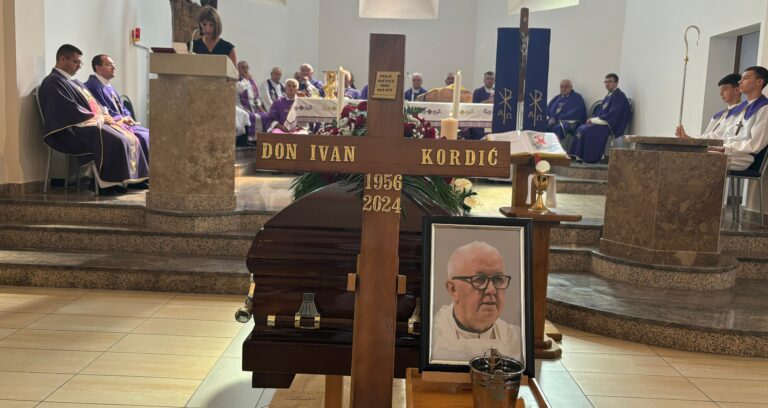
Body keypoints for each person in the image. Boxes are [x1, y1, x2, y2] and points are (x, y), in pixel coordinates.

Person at [39, 44, 148, 195]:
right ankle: (104, 185)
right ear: (62, 59)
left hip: (89, 122)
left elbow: (94, 104)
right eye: (76, 62)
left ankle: (117, 181)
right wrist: (100, 117)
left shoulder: (73, 81)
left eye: (80, 63)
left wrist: (104, 115)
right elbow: (68, 109)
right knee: (117, 139)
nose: (79, 66)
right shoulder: (53, 82)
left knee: (127, 136)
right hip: (72, 128)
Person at [431, 241, 522, 363]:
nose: (491, 290)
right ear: (453, 289)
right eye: (479, 279)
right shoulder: (433, 338)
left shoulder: (516, 341)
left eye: (498, 279)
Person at [677, 67, 768, 170]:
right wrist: (694, 141)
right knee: (684, 154)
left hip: (741, 157)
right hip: (727, 152)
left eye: (745, 78)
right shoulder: (740, 109)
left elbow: (755, 144)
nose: (740, 81)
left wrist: (725, 148)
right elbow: (723, 135)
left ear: (759, 82)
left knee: (692, 158)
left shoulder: (764, 108)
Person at [84, 54, 150, 164]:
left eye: (113, 64)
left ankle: (150, 171)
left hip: (122, 123)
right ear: (98, 68)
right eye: (109, 64)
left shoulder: (108, 85)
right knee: (142, 136)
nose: (114, 67)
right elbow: (102, 110)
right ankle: (140, 174)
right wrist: (122, 119)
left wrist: (128, 117)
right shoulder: (92, 86)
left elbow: (122, 107)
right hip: (111, 125)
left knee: (148, 133)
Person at [567, 73, 631, 163]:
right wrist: (592, 119)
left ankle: (590, 158)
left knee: (587, 130)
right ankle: (578, 155)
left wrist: (593, 120)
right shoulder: (609, 95)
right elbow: (600, 111)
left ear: (616, 83)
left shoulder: (619, 96)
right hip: (604, 121)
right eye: (606, 82)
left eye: (610, 81)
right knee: (581, 128)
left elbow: (613, 114)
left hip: (610, 124)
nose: (607, 84)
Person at [676, 73, 745, 139]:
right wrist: (689, 139)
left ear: (737, 90)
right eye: (720, 90)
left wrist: (691, 139)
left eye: (725, 89)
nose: (721, 94)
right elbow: (707, 135)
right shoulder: (719, 115)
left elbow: (720, 136)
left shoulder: (743, 112)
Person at [546, 79, 587, 147]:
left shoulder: (577, 98)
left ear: (571, 87)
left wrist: (556, 118)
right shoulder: (557, 98)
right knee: (541, 123)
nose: (563, 89)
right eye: (561, 87)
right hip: (553, 121)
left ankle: (559, 150)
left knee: (561, 127)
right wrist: (550, 118)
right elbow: (548, 110)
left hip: (567, 121)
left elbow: (575, 113)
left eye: (566, 87)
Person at [236, 60, 266, 143]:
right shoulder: (236, 80)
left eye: (247, 67)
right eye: (243, 68)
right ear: (238, 69)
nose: (245, 69)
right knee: (249, 116)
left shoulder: (253, 81)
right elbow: (239, 89)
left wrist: (259, 106)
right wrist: (246, 79)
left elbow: (258, 96)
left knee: (265, 116)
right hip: (241, 106)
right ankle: (248, 140)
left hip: (254, 106)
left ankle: (259, 140)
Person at [467, 71, 495, 140]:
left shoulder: (497, 92)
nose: (489, 81)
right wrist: (486, 102)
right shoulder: (477, 92)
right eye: (487, 78)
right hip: (480, 119)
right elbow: (474, 106)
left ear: (494, 81)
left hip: (492, 118)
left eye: (491, 79)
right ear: (484, 80)